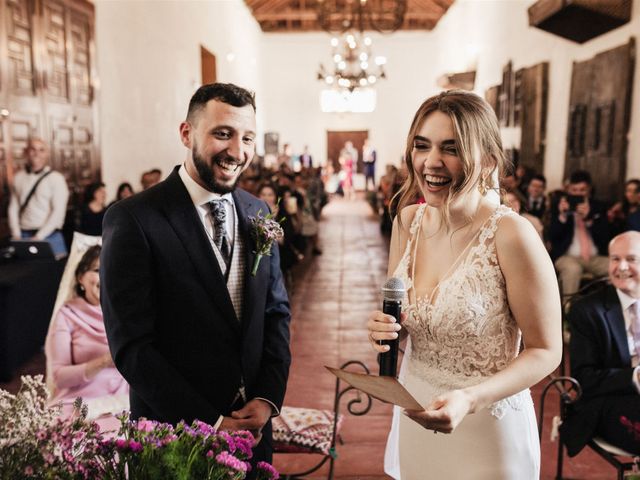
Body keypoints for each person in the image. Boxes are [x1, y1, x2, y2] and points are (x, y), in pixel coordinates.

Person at [366, 90, 561, 479]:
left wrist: (469, 398)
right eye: (422, 146)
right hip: (417, 411)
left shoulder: (510, 235)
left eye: (451, 148)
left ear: (487, 160)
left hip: (487, 426)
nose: (431, 162)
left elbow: (546, 350)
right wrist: (385, 330)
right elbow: (405, 320)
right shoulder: (408, 222)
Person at [101, 83, 291, 473]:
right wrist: (212, 422)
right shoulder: (135, 219)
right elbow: (132, 346)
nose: (238, 152)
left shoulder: (258, 212)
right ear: (187, 133)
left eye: (247, 137)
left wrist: (267, 399)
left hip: (253, 433)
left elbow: (276, 313)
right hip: (174, 438)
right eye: (223, 134)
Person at [561, 231, 640, 456]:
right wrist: (635, 377)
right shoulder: (587, 311)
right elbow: (583, 379)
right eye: (615, 259)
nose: (621, 267)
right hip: (607, 403)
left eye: (631, 259)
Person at [45, 245, 128, 414]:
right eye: (97, 270)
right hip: (80, 401)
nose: (105, 276)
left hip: (126, 399)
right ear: (80, 277)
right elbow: (59, 378)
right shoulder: (67, 315)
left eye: (111, 269)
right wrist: (105, 361)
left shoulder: (129, 311)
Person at [550, 170, 610, 296]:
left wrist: (588, 218)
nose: (578, 193)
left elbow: (606, 237)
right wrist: (562, 216)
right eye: (574, 190)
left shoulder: (598, 207)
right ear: (568, 190)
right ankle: (568, 310)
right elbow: (552, 236)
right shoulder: (558, 205)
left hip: (594, 257)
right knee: (573, 270)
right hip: (566, 256)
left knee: (618, 267)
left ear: (589, 190)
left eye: (582, 190)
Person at [8, 137, 69, 257]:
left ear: (47, 154)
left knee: (56, 273)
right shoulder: (18, 177)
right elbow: (13, 208)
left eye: (42, 150)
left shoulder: (56, 179)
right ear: (26, 152)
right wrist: (16, 234)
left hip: (50, 236)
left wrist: (38, 237)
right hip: (23, 235)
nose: (37, 153)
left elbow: (58, 212)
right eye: (33, 149)